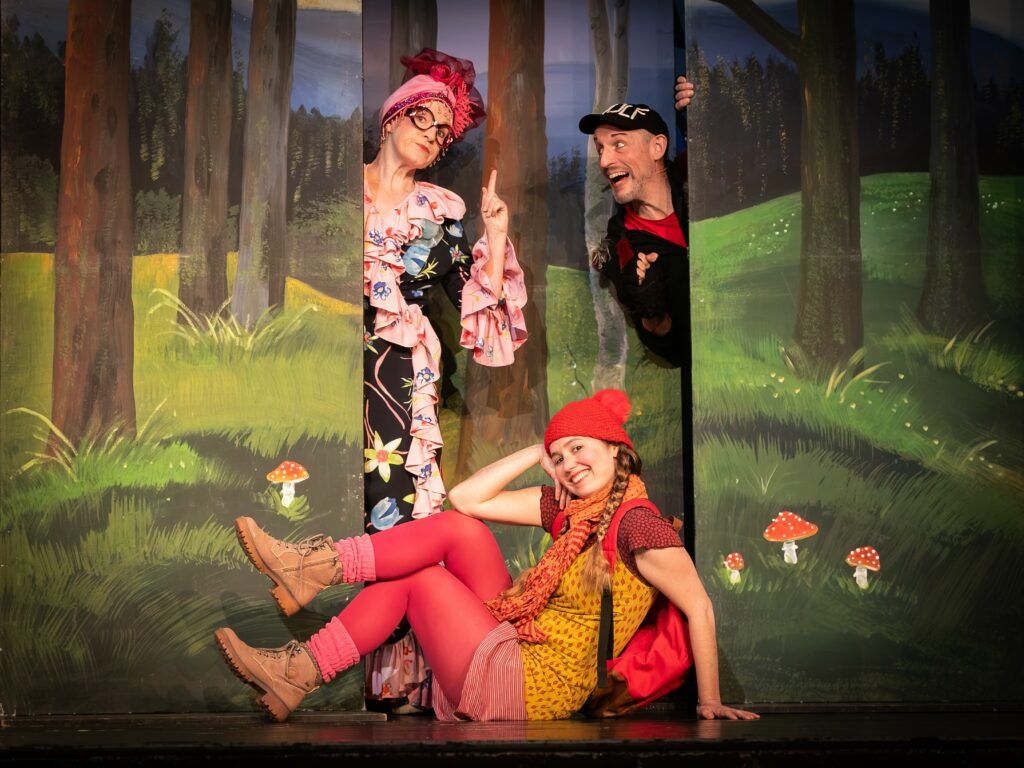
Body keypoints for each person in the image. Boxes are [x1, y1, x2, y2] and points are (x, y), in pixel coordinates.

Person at [214, 389, 759, 723]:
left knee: (421, 581)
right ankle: (310, 580)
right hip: (519, 639)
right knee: (461, 530)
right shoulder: (570, 511)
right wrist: (534, 452)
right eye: (559, 456)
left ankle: (302, 649)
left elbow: (699, 607)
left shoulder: (638, 524)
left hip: (533, 686)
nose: (569, 465)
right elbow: (467, 499)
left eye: (579, 449)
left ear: (617, 450)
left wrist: (708, 701)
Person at [360, 49, 528, 711]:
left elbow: (474, 302)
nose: (433, 136)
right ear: (392, 118)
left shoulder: (438, 213)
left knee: (396, 513)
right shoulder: (339, 192)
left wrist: (496, 234)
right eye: (423, 120)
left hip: (400, 374)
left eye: (444, 132)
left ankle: (395, 683)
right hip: (334, 360)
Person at [578, 76, 695, 367]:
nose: (604, 161)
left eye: (618, 144)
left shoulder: (697, 177)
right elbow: (674, 353)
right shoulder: (622, 248)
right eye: (601, 148)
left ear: (657, 147)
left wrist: (701, 109)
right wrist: (654, 318)